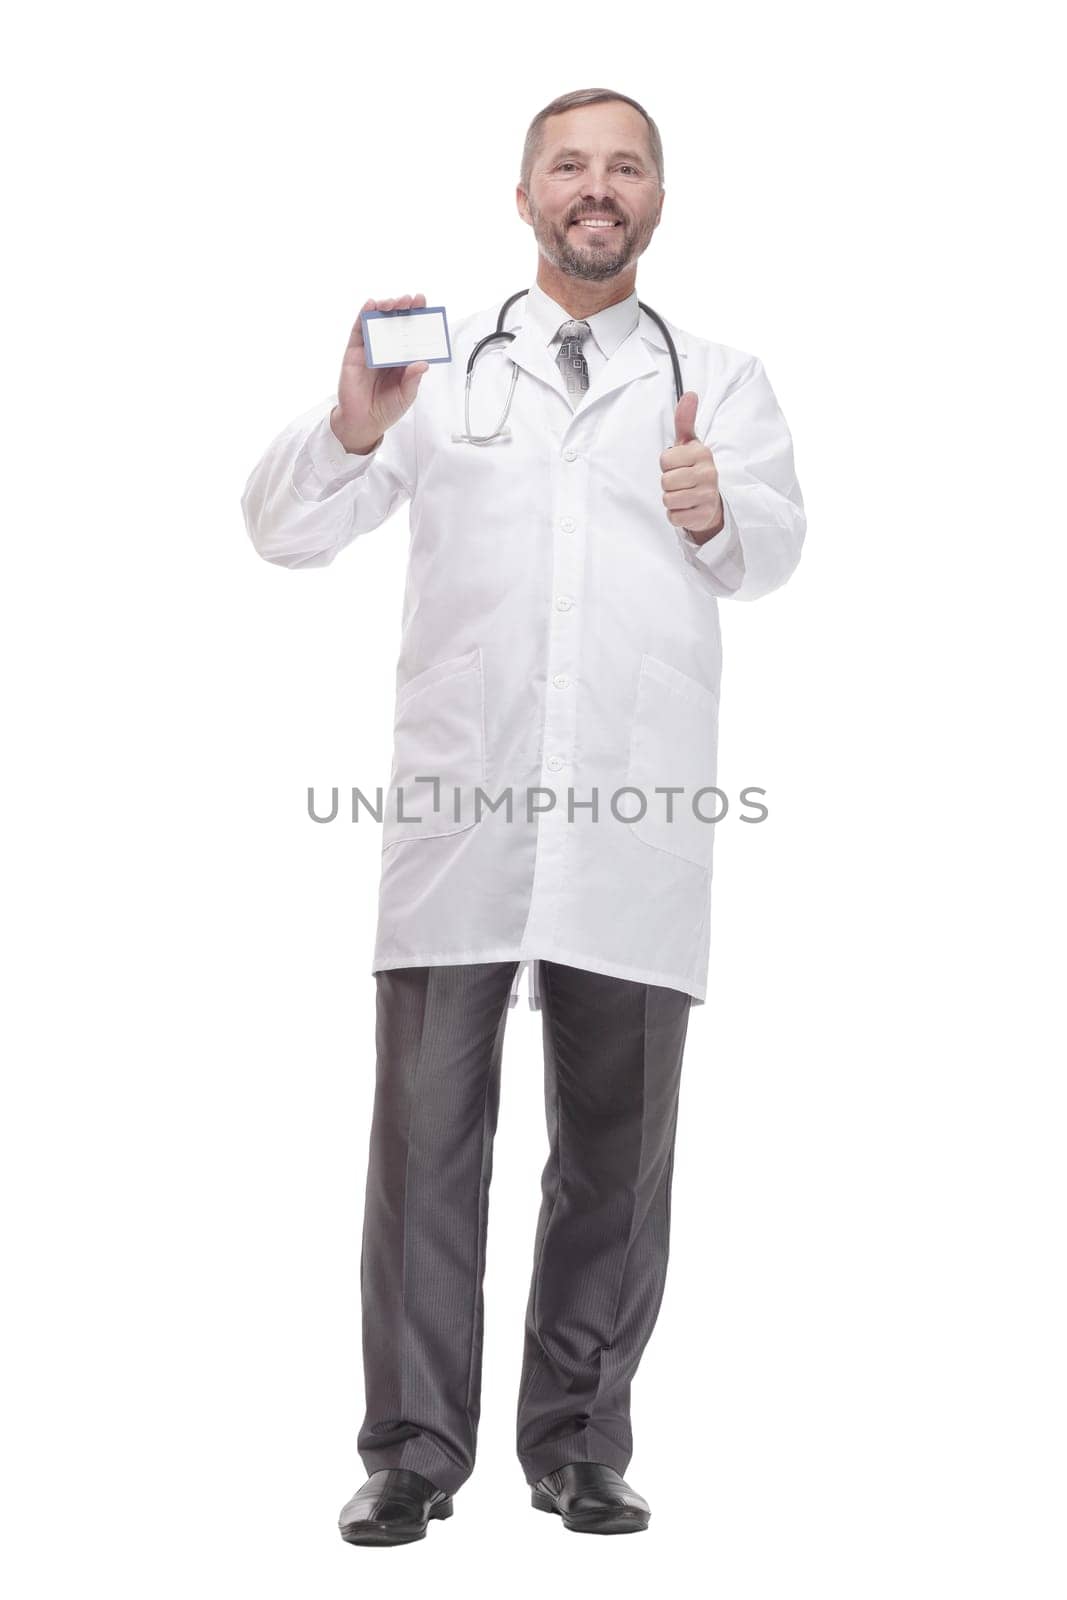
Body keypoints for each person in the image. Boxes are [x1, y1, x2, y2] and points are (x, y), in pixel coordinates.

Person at [240, 86, 805, 1544]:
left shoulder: (722, 380)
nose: (596, 188)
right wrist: (352, 426)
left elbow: (776, 547)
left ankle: (580, 1442)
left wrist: (711, 512)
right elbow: (283, 530)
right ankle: (415, 1452)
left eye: (625, 168)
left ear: (658, 202)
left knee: (615, 1162)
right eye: (570, 165)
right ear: (525, 196)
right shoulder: (442, 376)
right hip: (459, 825)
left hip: (636, 819)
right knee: (426, 1149)